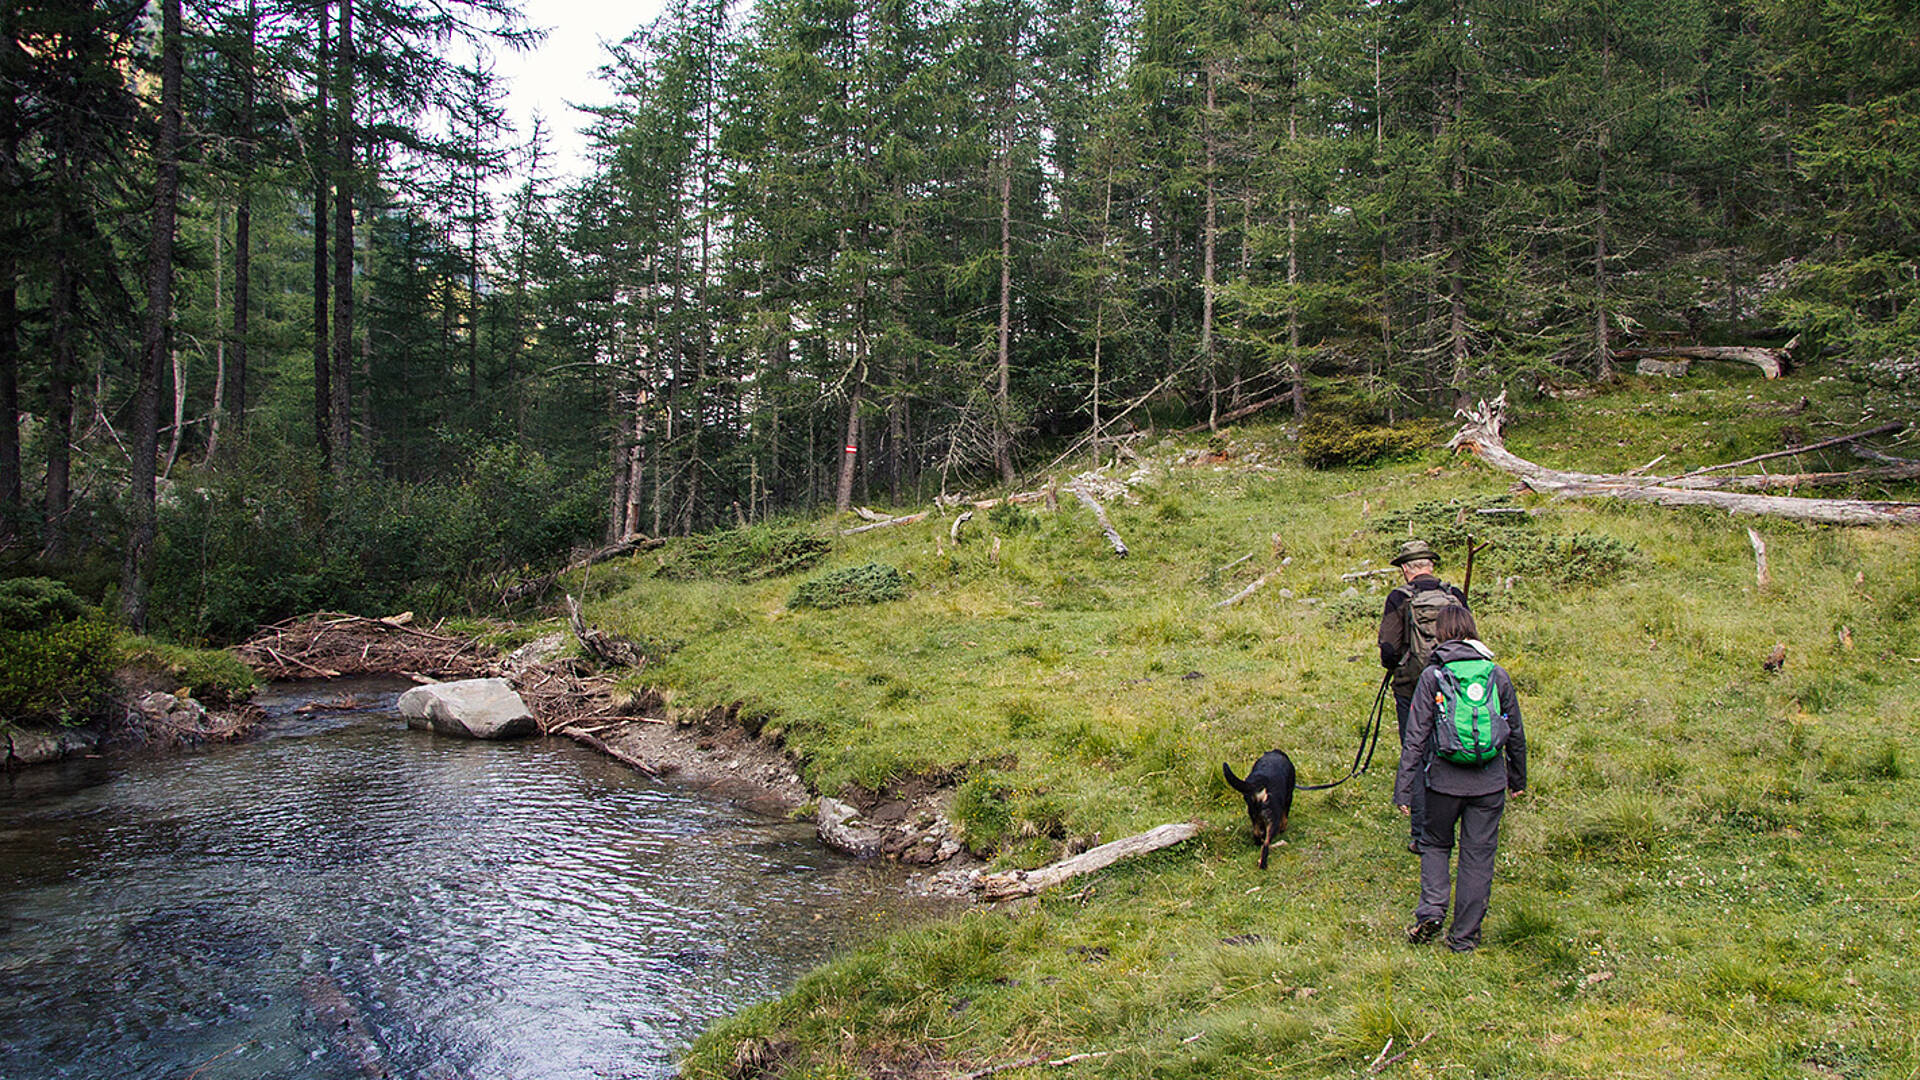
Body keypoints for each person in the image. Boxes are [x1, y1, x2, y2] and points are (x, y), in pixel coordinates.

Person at [1395, 605, 1525, 952]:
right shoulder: (1496, 674)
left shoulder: (1432, 676)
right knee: (1477, 857)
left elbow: (1416, 737)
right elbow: (1515, 733)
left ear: (1440, 635)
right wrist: (1518, 779)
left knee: (1436, 844)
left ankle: (1432, 911)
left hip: (1442, 783)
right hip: (1490, 783)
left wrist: (1404, 789)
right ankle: (1464, 938)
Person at [1376, 539, 1469, 852]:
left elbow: (1388, 648)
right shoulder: (1454, 595)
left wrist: (1396, 666)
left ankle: (1422, 835)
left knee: (1416, 752)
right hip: (1455, 688)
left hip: (1412, 689)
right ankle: (1457, 823)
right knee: (1452, 749)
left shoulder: (1398, 598)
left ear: (1405, 569)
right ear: (1431, 565)